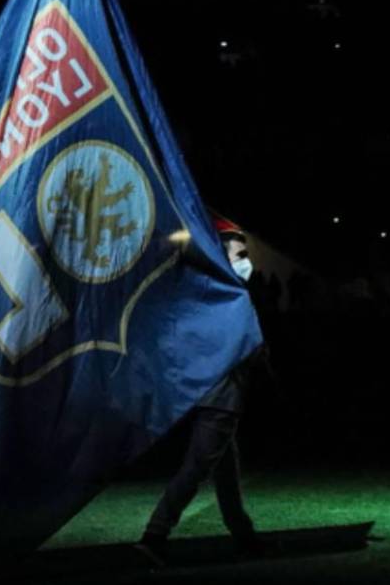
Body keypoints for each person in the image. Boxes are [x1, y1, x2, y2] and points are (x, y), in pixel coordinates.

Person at [134, 216, 265, 566]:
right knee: (197, 467)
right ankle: (155, 535)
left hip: (211, 393)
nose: (245, 259)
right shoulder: (226, 300)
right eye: (239, 252)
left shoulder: (209, 295)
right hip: (220, 396)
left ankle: (244, 535)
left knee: (226, 470)